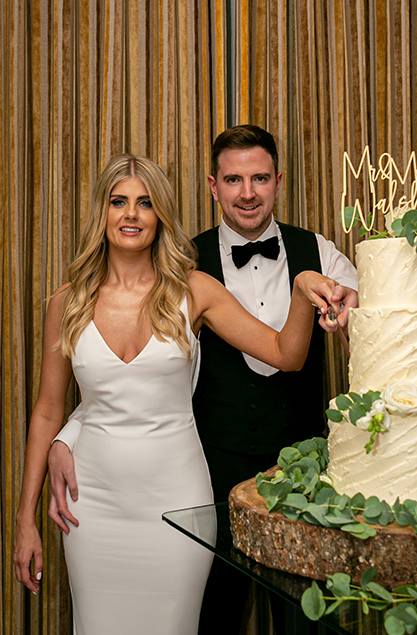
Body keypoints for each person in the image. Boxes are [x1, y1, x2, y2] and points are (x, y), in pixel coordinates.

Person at [12, 154, 340, 635]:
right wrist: (25, 519)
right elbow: (47, 410)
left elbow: (285, 354)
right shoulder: (68, 301)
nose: (131, 214)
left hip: (177, 502)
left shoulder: (194, 291)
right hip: (91, 510)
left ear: (160, 214)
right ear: (101, 212)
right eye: (118, 201)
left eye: (144, 203)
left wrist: (301, 287)